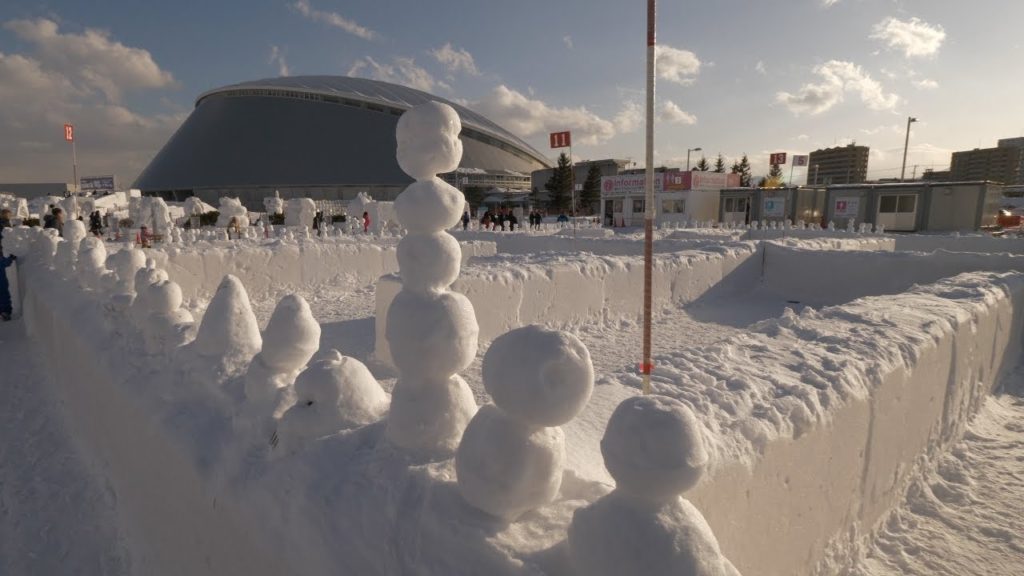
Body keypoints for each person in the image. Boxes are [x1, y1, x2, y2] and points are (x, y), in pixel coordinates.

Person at [0, 253, 16, 321]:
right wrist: (11, 258)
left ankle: (4, 312)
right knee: (4, 297)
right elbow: (5, 263)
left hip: (2, 282)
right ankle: (5, 312)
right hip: (1, 283)